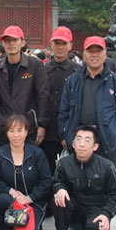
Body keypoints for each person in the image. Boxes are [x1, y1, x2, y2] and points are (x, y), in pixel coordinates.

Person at [58, 36, 116, 170]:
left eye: (98, 51)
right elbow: (64, 109)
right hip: (79, 138)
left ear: (105, 54)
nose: (94, 55)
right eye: (90, 51)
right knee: (78, 177)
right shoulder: (73, 80)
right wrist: (65, 135)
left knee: (106, 177)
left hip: (106, 139)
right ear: (84, 55)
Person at [48, 126, 116, 230]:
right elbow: (56, 181)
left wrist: (107, 214)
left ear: (95, 146)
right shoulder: (64, 163)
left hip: (95, 207)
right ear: (73, 144)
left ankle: (87, 229)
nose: (82, 144)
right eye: (78, 139)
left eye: (87, 140)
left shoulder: (106, 166)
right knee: (59, 199)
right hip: (74, 205)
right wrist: (59, 188)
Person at [0, 115, 52, 230]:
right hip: (10, 199)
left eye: (19, 130)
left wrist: (29, 198)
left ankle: (35, 224)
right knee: (2, 199)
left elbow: (46, 181)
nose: (16, 135)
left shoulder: (37, 153)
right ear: (7, 133)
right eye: (11, 131)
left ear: (26, 132)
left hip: (33, 200)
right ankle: (6, 225)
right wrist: (10, 191)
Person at [0, 25, 49, 147]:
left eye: (15, 40)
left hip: (28, 127)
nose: (11, 44)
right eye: (7, 40)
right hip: (5, 127)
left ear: (22, 43)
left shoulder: (35, 65)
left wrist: (42, 124)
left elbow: (43, 95)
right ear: (3, 44)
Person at [41, 26, 79, 176]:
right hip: (46, 131)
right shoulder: (42, 70)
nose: (60, 47)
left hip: (70, 131)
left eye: (64, 43)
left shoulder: (78, 72)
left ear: (70, 45)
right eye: (57, 43)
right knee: (46, 171)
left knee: (70, 172)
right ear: (51, 45)